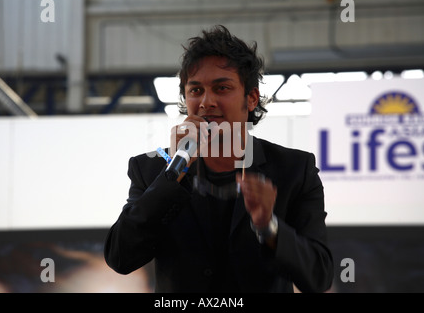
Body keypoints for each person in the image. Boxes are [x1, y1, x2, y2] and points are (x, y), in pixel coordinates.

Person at [104, 25, 334, 293]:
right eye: (196, 90)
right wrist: (172, 174)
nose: (206, 102)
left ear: (251, 98)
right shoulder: (151, 169)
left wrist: (269, 227)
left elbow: (318, 277)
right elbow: (121, 258)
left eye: (221, 88)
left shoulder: (294, 170)